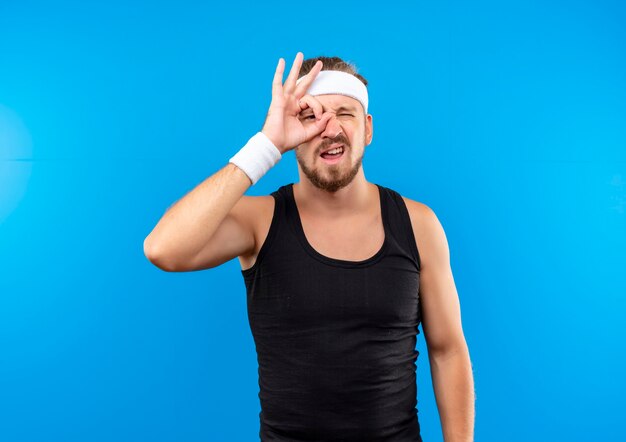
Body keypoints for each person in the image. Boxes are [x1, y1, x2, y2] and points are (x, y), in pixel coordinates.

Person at [144, 52, 475, 442]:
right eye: (310, 116)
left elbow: (448, 350)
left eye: (345, 113)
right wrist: (265, 145)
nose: (329, 128)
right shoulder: (260, 221)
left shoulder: (418, 224)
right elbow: (163, 249)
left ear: (367, 128)